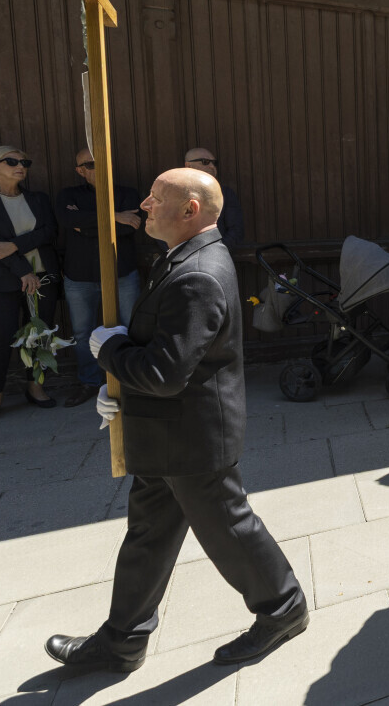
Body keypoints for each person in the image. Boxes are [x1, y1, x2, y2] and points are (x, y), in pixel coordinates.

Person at [45, 168, 308, 673]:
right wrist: (119, 387)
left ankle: (283, 609)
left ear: (190, 210)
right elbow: (166, 349)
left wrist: (110, 351)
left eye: (155, 198)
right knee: (148, 536)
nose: (144, 204)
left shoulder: (197, 274)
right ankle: (123, 640)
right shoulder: (180, 258)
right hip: (166, 432)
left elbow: (165, 373)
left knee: (229, 530)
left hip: (191, 439)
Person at [0, 145, 61, 423]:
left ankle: (36, 387)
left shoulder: (38, 199)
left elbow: (49, 231)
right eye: (12, 161)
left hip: (42, 279)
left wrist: (15, 245)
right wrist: (23, 271)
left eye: (24, 162)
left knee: (40, 336)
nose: (20, 166)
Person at [56, 148, 144, 407]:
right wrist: (114, 217)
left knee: (131, 327)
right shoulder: (68, 195)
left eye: (102, 161)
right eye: (91, 164)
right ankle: (90, 382)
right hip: (79, 277)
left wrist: (85, 225)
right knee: (82, 333)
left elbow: (131, 227)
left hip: (122, 273)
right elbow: (67, 219)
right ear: (80, 171)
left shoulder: (128, 193)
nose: (98, 166)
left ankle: (131, 382)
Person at [184, 148, 243, 247]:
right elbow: (164, 228)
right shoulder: (174, 193)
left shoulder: (226, 194)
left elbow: (236, 230)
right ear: (188, 165)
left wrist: (216, 251)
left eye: (214, 163)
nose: (212, 166)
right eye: (205, 162)